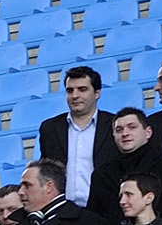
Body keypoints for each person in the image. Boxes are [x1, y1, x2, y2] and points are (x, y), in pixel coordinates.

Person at [40, 66, 117, 209]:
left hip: (105, 209)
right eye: (70, 91)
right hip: (63, 211)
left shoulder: (114, 125)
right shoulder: (50, 128)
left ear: (97, 93)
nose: (75, 95)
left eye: (82, 89)